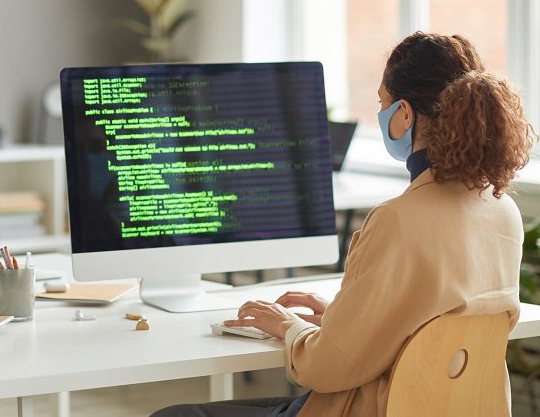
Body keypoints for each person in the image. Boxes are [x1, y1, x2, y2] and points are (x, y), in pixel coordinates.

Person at [152, 32, 535, 417]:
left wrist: (290, 327)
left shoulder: (397, 220)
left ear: (404, 115)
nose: (382, 112)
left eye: (383, 103)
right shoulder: (503, 212)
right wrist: (342, 318)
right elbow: (430, 324)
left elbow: (325, 370)